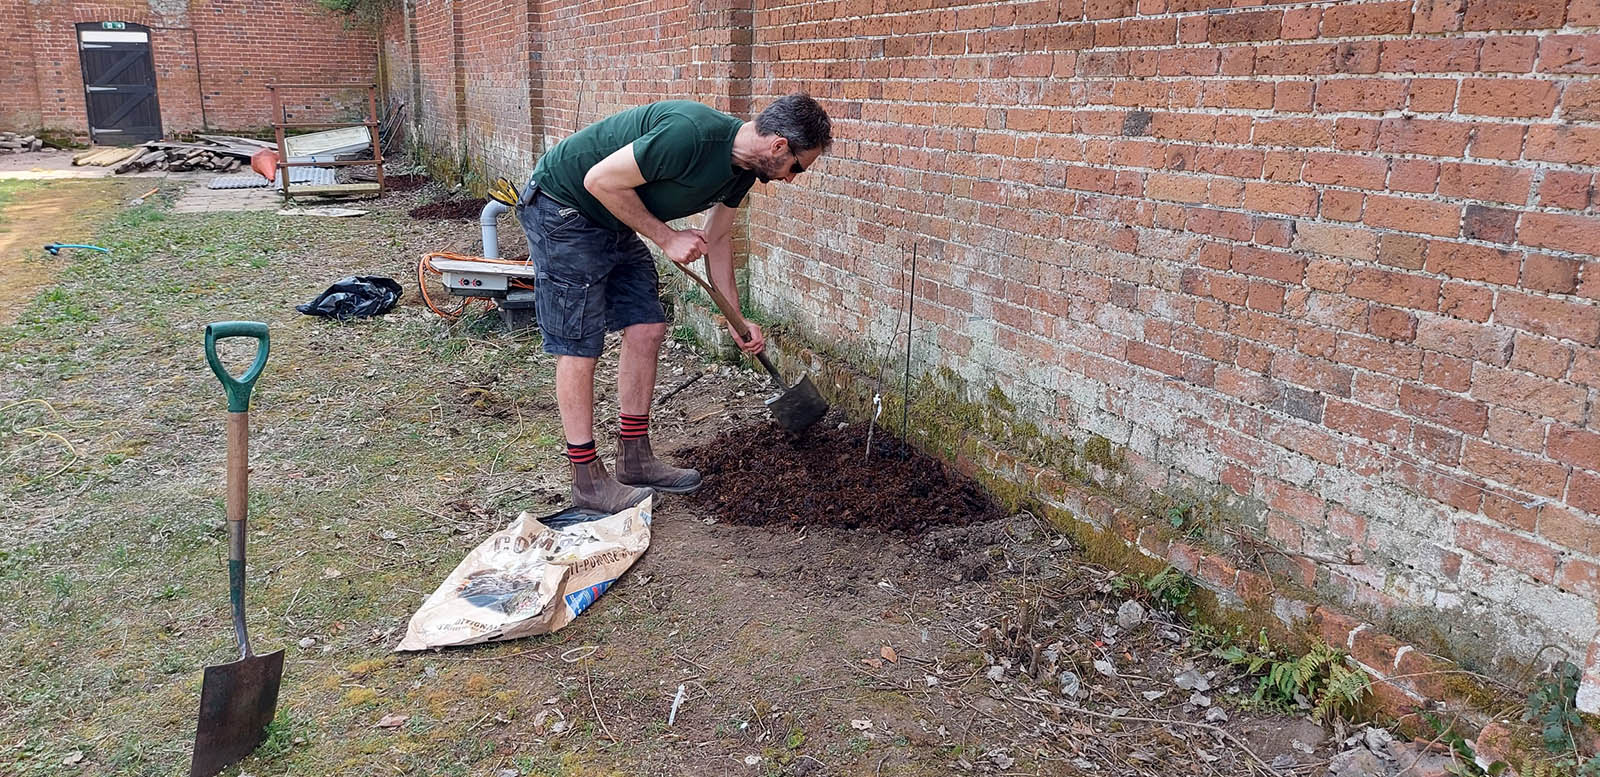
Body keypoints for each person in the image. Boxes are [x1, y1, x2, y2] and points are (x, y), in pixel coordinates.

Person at [517, 94, 832, 513]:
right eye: (797, 167)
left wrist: (738, 321)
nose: (792, 178)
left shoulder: (741, 172)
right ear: (778, 146)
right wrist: (667, 237)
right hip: (565, 206)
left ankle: (634, 456)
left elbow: (717, 240)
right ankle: (586, 479)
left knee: (648, 325)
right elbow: (599, 180)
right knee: (579, 342)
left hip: (611, 216)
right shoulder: (691, 135)